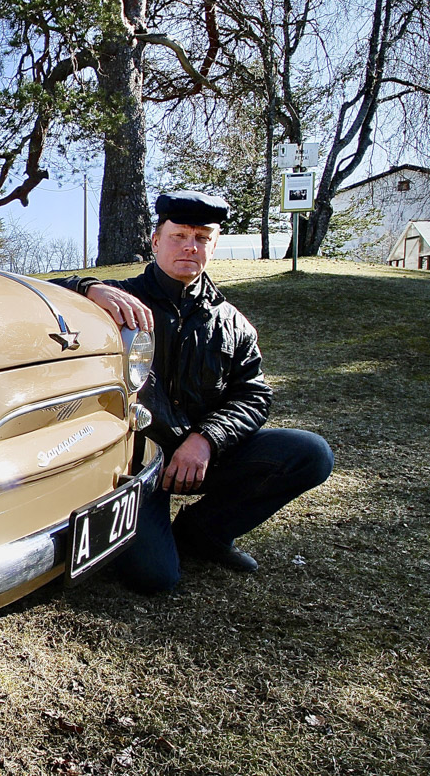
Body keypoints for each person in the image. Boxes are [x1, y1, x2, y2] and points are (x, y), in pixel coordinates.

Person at [56, 191, 333, 593]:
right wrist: (85, 287)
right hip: (134, 465)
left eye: (202, 238)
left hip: (200, 456)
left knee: (310, 453)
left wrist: (206, 440)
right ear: (155, 241)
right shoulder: (110, 299)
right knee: (155, 578)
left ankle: (204, 534)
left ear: (214, 245)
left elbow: (253, 395)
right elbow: (32, 297)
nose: (190, 245)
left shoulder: (233, 322)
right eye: (178, 235)